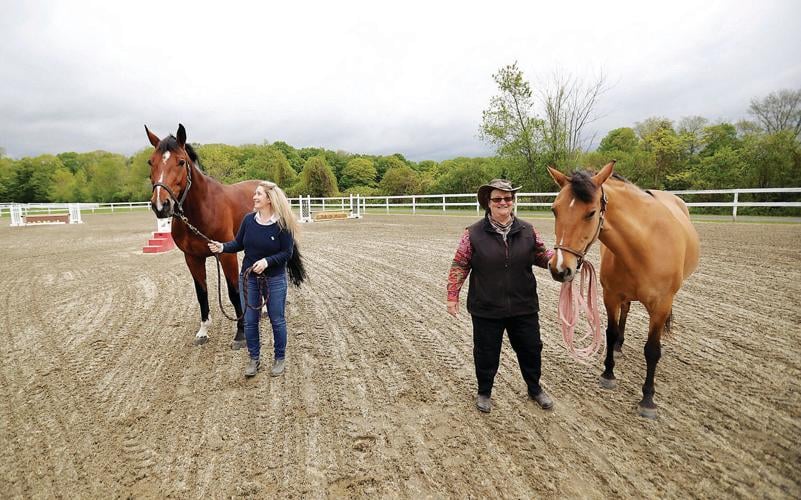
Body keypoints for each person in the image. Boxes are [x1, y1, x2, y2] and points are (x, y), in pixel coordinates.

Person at [446, 179, 555, 413]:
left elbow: (542, 256)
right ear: (488, 203)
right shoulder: (472, 234)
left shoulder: (528, 230)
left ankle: (534, 388)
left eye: (508, 198)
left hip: (523, 305)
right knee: (486, 352)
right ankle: (484, 391)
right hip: (486, 307)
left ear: (513, 202)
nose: (503, 202)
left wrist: (560, 260)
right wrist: (452, 296)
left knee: (531, 348)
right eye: (498, 199)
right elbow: (460, 265)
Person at [208, 180, 299, 378]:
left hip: (274, 279)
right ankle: (254, 358)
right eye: (255, 194)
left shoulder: (283, 223)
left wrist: (267, 262)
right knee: (250, 321)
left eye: (258, 194)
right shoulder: (249, 220)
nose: (254, 197)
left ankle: (279, 357)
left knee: (277, 320)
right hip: (249, 279)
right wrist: (222, 247)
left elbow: (287, 253)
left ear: (269, 199)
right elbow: (239, 243)